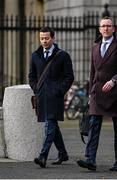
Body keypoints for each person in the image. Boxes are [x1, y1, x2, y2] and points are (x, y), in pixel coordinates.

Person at [77, 16, 117, 171]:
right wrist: (90, 92)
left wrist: (113, 81)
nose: (106, 28)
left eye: (108, 26)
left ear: (113, 29)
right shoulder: (95, 46)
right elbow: (93, 71)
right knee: (94, 125)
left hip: (116, 93)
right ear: (99, 29)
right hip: (97, 93)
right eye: (103, 26)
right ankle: (90, 160)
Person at [28, 27, 74, 168]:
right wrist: (37, 89)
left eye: (47, 38)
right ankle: (63, 153)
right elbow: (31, 76)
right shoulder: (35, 55)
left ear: (53, 38)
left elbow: (69, 77)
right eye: (42, 38)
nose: (44, 41)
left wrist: (59, 91)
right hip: (42, 96)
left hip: (55, 97)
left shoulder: (63, 56)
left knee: (49, 124)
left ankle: (43, 156)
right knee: (52, 125)